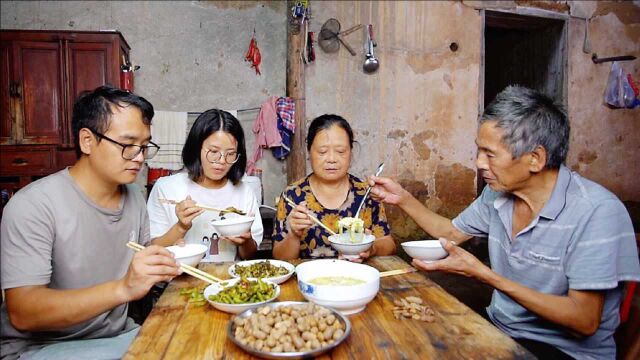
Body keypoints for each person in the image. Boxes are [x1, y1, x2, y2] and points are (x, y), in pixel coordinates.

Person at [370, 85, 640, 359]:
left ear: (535, 158)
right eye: (479, 151)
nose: (479, 163)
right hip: (500, 330)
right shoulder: (496, 194)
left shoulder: (597, 211)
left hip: (565, 352)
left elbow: (584, 320)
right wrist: (402, 198)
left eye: (490, 154)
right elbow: (451, 232)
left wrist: (485, 275)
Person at [0, 85, 183, 360]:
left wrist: (163, 258)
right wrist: (123, 288)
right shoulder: (33, 205)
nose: (140, 157)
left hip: (116, 335)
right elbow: (23, 312)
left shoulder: (134, 194)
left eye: (145, 146)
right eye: (128, 145)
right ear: (87, 141)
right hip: (41, 348)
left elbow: (142, 254)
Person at [272, 114, 395, 260]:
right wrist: (293, 235)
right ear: (309, 152)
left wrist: (371, 248)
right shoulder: (292, 196)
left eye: (341, 151)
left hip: (358, 279)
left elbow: (389, 245)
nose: (331, 159)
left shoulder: (366, 193)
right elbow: (279, 259)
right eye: (322, 152)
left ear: (351, 152)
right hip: (310, 280)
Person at [147, 109, 262, 262]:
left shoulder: (244, 192)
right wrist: (181, 227)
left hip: (228, 281)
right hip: (177, 281)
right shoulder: (166, 189)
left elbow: (249, 255)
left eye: (230, 153)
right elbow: (151, 250)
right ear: (196, 147)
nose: (221, 161)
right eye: (213, 151)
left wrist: (246, 241)